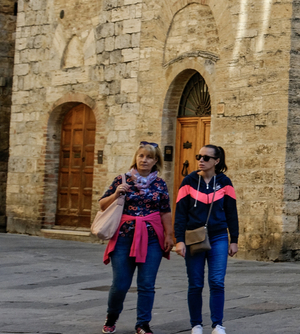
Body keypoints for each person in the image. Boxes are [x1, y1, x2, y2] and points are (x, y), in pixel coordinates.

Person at [98, 142, 173, 334]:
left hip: (152, 239)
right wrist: (116, 194)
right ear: (136, 157)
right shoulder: (122, 180)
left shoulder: (160, 184)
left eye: (149, 157)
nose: (144, 160)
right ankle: (112, 316)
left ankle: (142, 324)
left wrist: (169, 236)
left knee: (147, 284)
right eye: (141, 156)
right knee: (120, 284)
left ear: (155, 161)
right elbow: (102, 205)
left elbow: (165, 212)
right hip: (124, 238)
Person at [174, 144, 239, 334]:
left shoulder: (225, 183)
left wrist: (233, 239)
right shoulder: (188, 181)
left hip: (218, 236)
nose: (201, 160)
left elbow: (231, 213)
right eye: (199, 156)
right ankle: (196, 324)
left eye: (206, 158)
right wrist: (179, 240)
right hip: (193, 236)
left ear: (216, 161)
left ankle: (217, 324)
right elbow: (180, 214)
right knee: (195, 283)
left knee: (217, 281)